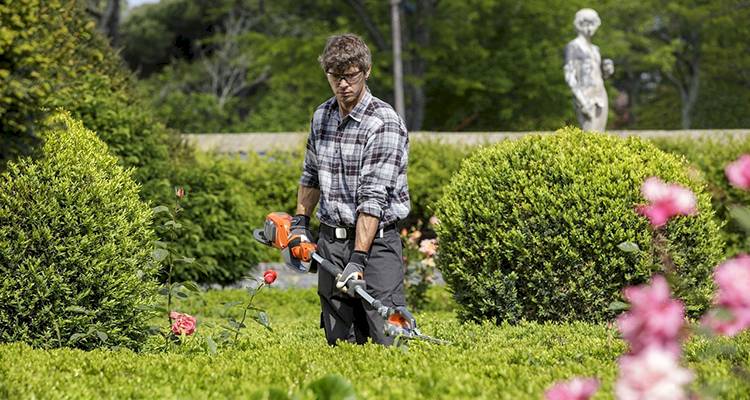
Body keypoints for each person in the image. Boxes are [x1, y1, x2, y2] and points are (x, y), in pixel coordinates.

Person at [290, 33, 410, 346]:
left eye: (351, 76)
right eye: (335, 76)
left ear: (366, 72)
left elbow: (373, 198)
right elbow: (311, 175)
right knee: (339, 339)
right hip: (331, 243)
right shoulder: (322, 116)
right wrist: (300, 225)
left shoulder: (383, 122)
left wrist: (358, 259)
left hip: (377, 247)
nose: (343, 84)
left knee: (391, 337)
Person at [564, 8, 614, 132]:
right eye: (586, 23)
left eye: (593, 24)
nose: (590, 27)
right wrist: (582, 99)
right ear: (579, 24)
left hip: (601, 93)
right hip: (586, 94)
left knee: (600, 132)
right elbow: (569, 75)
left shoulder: (595, 49)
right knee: (589, 132)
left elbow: (599, 75)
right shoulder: (574, 46)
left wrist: (607, 71)